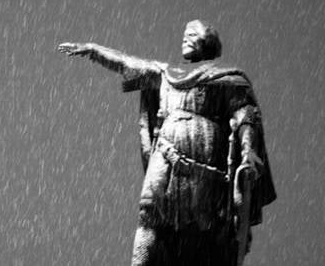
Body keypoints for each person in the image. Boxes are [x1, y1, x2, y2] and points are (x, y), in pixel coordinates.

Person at [58, 20, 276, 266]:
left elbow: (245, 113)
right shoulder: (165, 74)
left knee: (206, 228)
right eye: (184, 34)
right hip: (165, 154)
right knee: (149, 213)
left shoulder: (227, 78)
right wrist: (94, 50)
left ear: (208, 41)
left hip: (206, 164)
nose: (185, 38)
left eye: (192, 34)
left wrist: (248, 151)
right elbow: (126, 63)